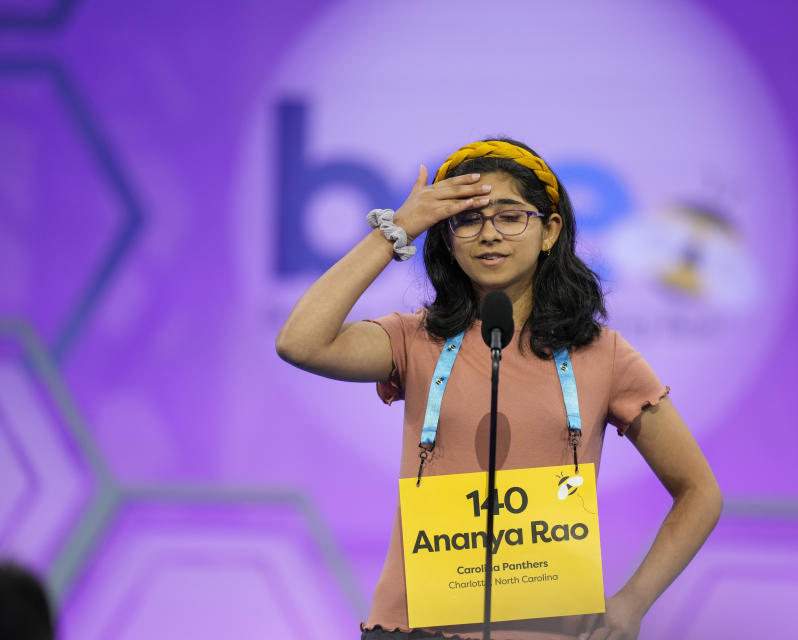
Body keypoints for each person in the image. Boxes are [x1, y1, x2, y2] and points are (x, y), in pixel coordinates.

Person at [276, 139, 723, 640]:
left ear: (550, 231)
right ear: (446, 239)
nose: (489, 234)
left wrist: (633, 602)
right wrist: (396, 230)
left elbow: (699, 491)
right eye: (467, 220)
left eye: (511, 216)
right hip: (415, 628)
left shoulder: (603, 353)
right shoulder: (415, 338)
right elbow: (300, 342)